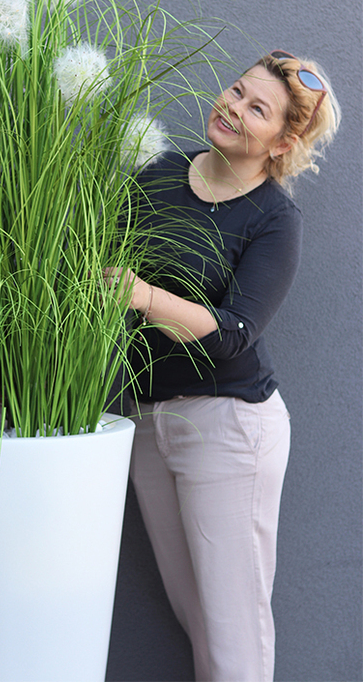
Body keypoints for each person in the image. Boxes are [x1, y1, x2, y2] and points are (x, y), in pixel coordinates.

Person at [103, 51, 340, 682]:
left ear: (283, 141)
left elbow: (234, 334)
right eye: (237, 91)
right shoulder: (158, 170)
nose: (233, 107)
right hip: (149, 422)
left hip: (230, 427)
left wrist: (143, 297)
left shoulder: (273, 219)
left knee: (234, 631)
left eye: (256, 108)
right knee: (196, 616)